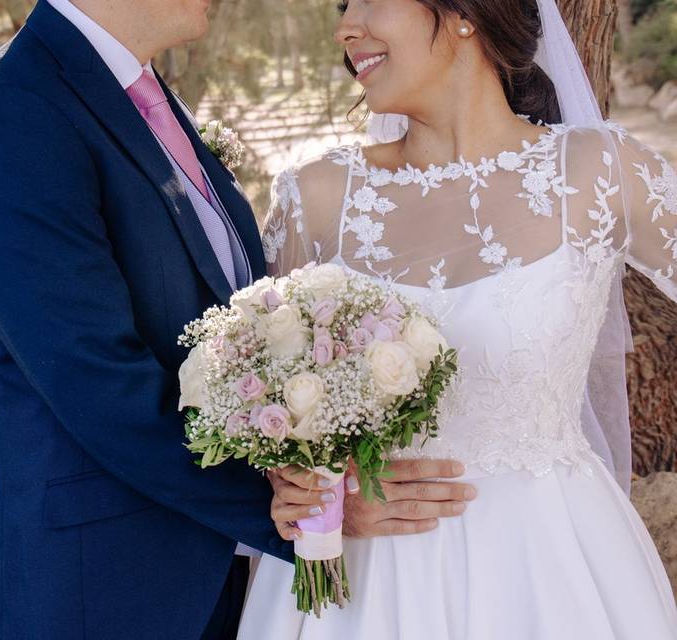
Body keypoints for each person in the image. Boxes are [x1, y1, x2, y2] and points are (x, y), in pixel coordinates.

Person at [0, 0, 473, 636]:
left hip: (213, 573)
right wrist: (294, 505)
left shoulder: (141, 91)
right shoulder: (9, 115)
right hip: (104, 589)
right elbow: (95, 379)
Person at [242, 0, 677, 637]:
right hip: (366, 587)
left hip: (555, 571)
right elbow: (265, 409)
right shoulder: (318, 197)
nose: (345, 27)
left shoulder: (600, 172)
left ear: (465, 13)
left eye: (368, 0)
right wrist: (298, 486)